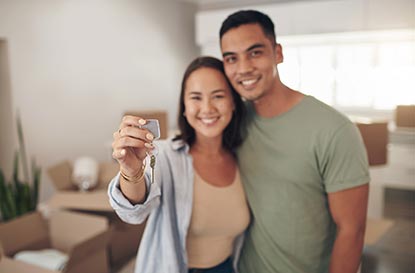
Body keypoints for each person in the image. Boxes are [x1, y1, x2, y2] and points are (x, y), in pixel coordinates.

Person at [219, 10, 370, 273]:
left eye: (255, 52)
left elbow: (352, 230)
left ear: (278, 53)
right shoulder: (233, 122)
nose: (243, 68)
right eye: (232, 58)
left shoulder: (334, 130)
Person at [108, 56, 250, 273]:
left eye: (218, 96)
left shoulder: (242, 157)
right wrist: (131, 171)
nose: (207, 108)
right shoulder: (164, 155)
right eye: (195, 97)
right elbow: (135, 212)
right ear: (184, 105)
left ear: (233, 102)